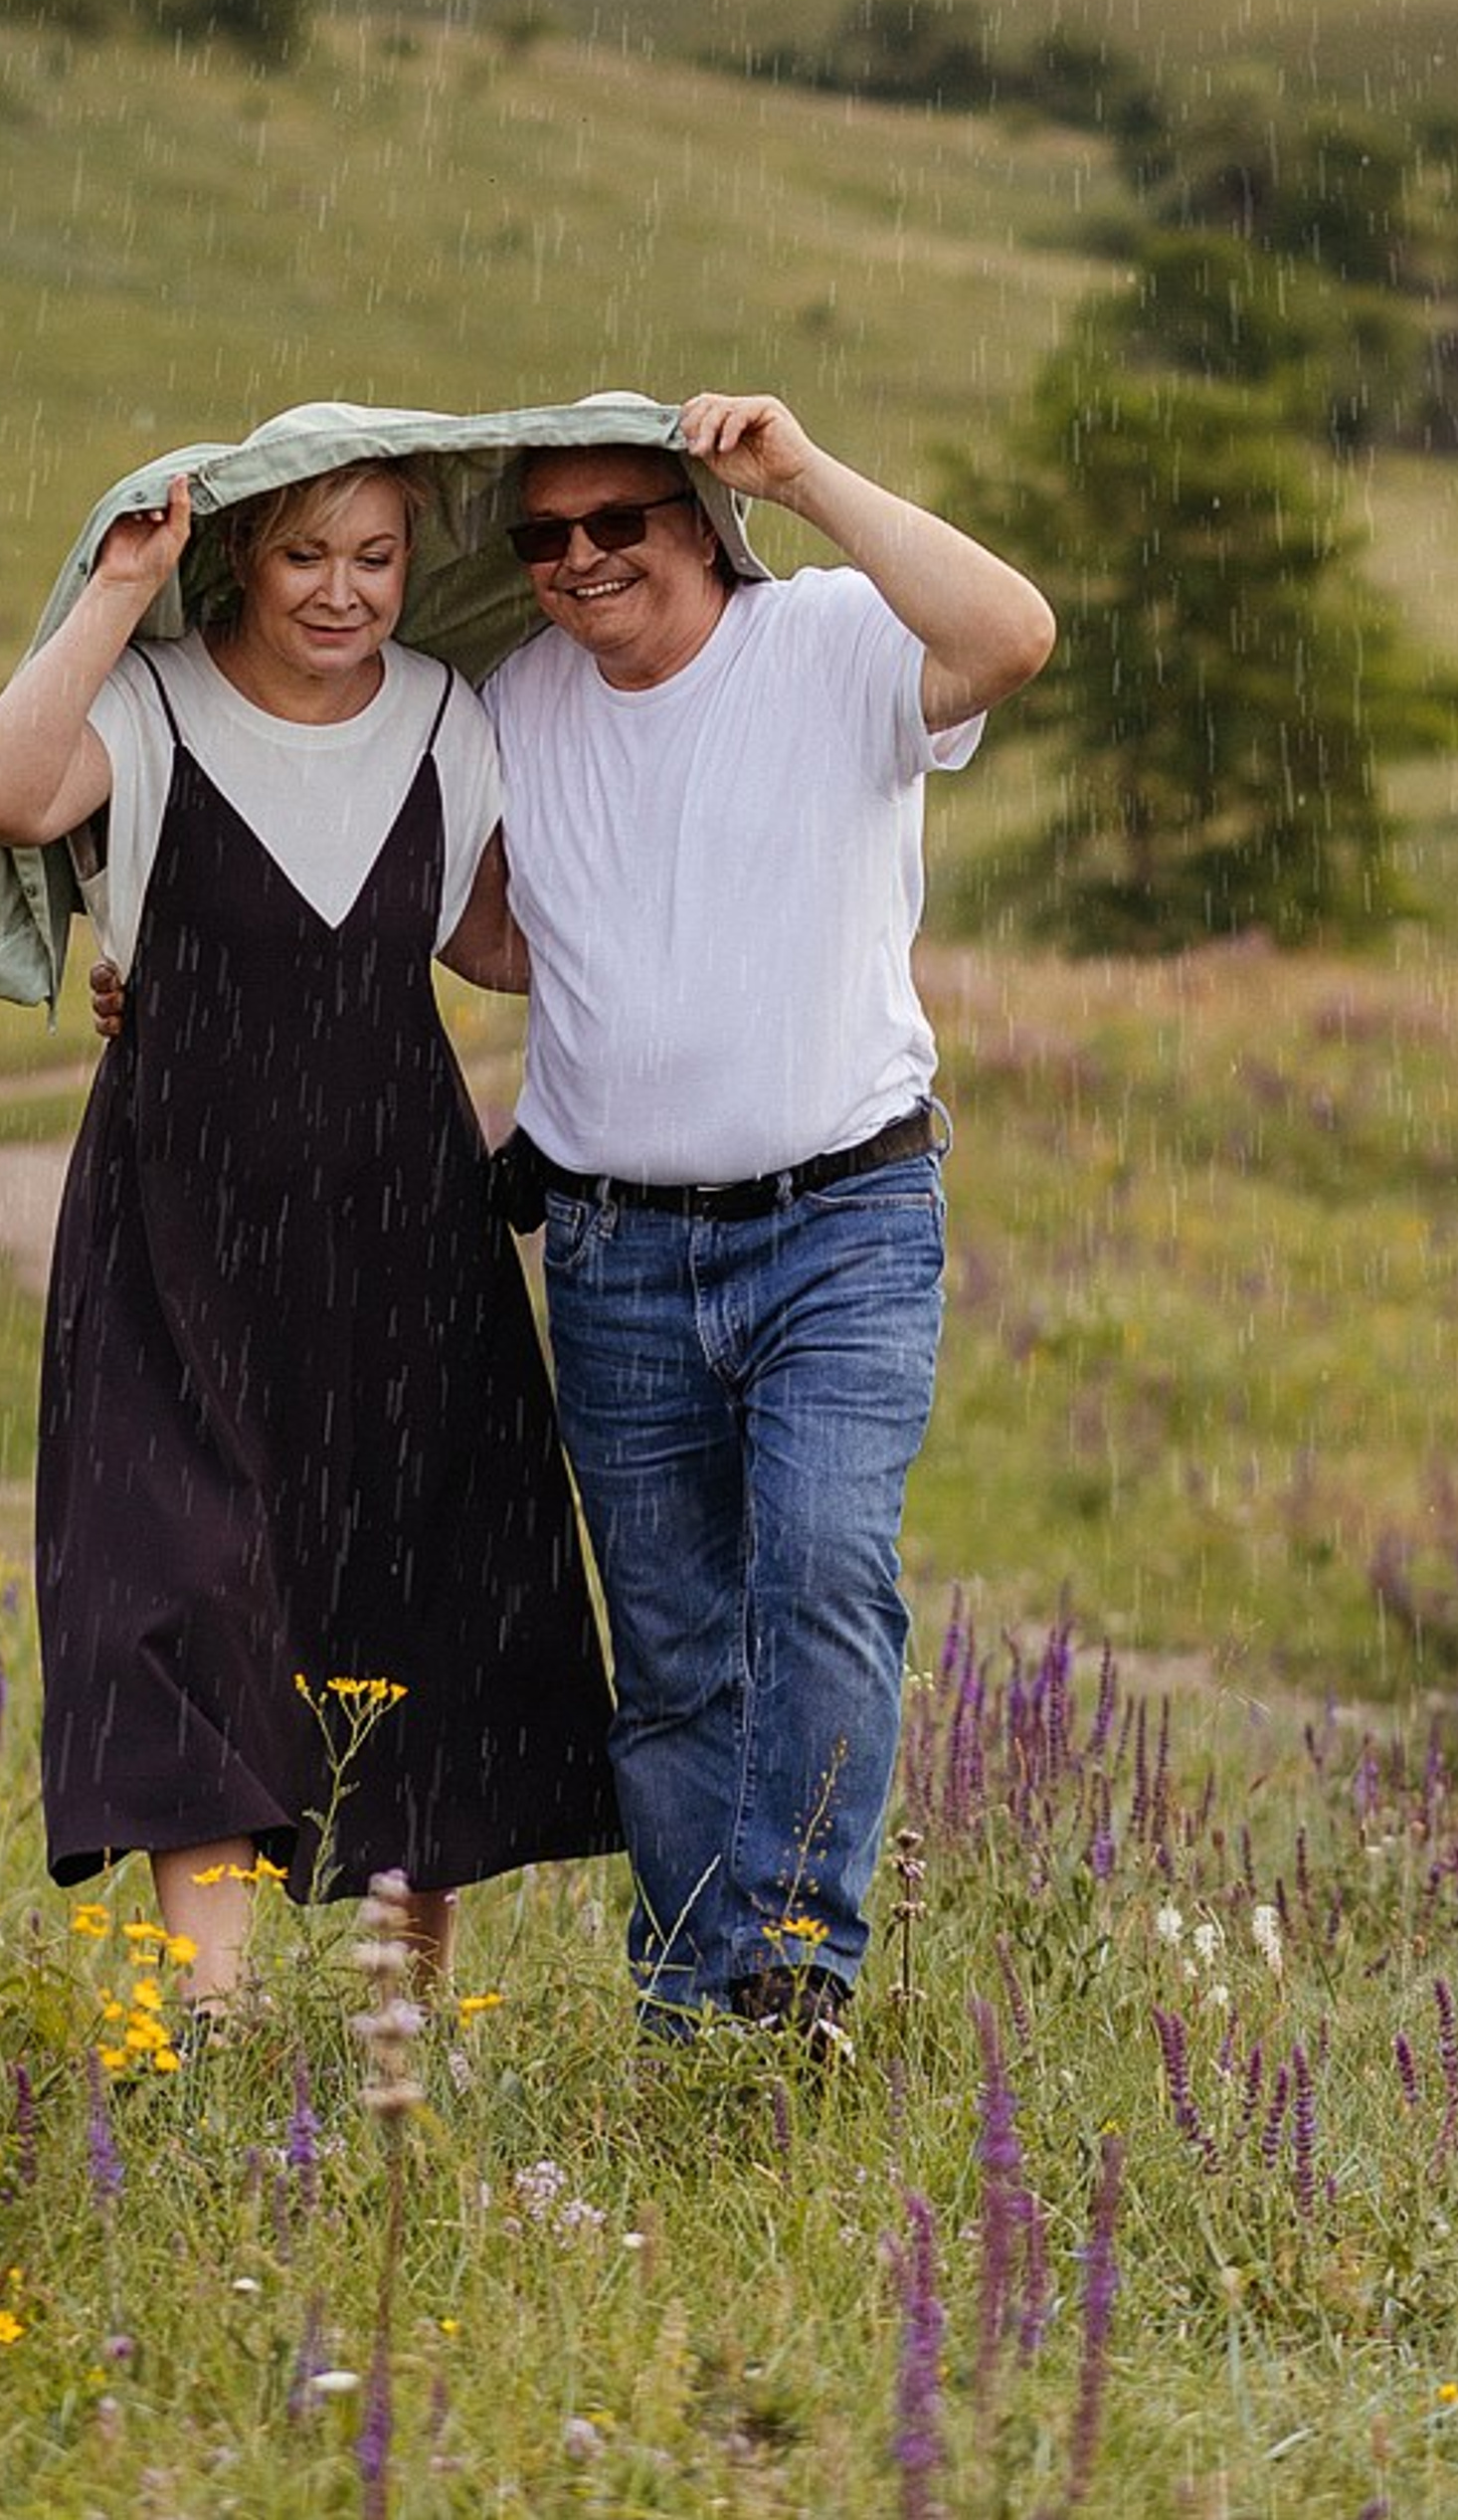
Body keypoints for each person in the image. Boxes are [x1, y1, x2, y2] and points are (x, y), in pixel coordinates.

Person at [454, 389, 1054, 2035]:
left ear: (702, 526)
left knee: (824, 1569)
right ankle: (690, 2008)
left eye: (617, 524)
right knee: (668, 1650)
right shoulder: (516, 699)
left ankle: (793, 1968)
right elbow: (478, 929)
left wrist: (799, 474)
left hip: (841, 1220)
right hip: (611, 1249)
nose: (579, 561)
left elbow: (1013, 635)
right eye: (543, 537)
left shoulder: (832, 641)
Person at [0, 458, 617, 2011]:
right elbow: (15, 795)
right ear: (240, 566)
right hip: (176, 1221)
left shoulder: (443, 716)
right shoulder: (149, 704)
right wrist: (118, 587)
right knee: (179, 1581)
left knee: (418, 1575)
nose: (343, 592)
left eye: (377, 557)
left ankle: (408, 2018)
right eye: (303, 557)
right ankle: (204, 2030)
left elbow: (490, 940)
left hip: (403, 1221)